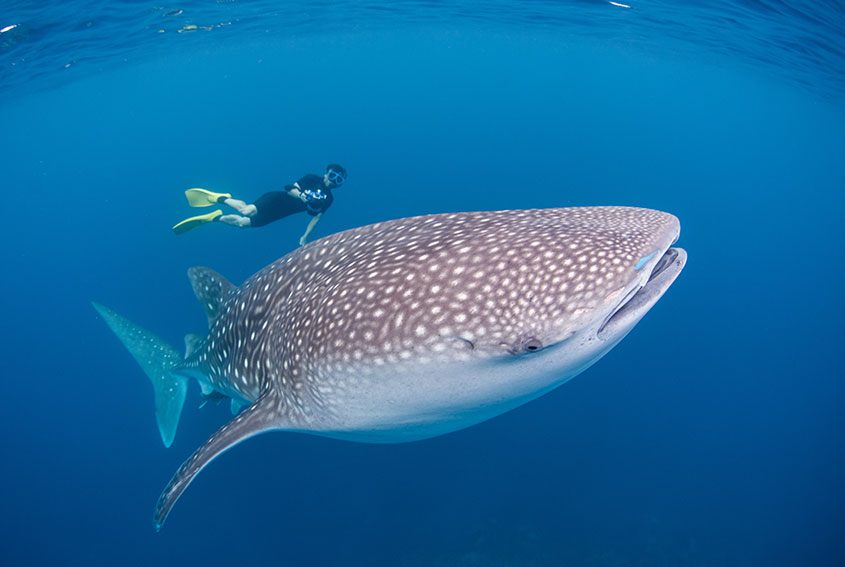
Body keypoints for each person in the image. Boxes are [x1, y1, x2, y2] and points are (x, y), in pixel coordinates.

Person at [172, 164, 347, 245]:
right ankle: (220, 198)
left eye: (338, 180)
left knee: (242, 224)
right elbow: (290, 189)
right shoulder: (312, 178)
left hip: (279, 214)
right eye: (333, 176)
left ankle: (214, 217)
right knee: (247, 210)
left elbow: (316, 218)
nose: (334, 181)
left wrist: (305, 237)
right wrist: (301, 196)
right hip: (276, 199)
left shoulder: (329, 199)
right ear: (326, 174)